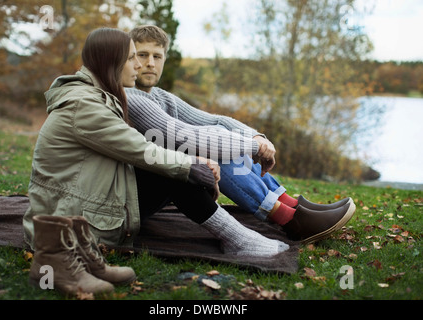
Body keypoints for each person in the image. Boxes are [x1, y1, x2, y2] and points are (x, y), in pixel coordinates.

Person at [23, 27, 290, 295]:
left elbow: (204, 123)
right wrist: (193, 165)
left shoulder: (97, 95)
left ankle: (270, 216)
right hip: (70, 216)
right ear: (110, 61)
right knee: (173, 170)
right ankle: (240, 239)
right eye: (132, 58)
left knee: (181, 163)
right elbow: (142, 150)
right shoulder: (86, 105)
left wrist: (202, 158)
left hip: (85, 201)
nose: (139, 65)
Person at [125, 25, 356, 245]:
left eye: (157, 56)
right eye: (142, 55)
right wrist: (250, 147)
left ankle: (290, 205)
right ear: (130, 57)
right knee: (214, 147)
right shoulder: (130, 96)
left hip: (165, 181)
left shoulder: (160, 96)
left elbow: (214, 120)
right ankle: (287, 219)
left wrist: (256, 137)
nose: (149, 63)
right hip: (135, 197)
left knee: (224, 138)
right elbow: (185, 136)